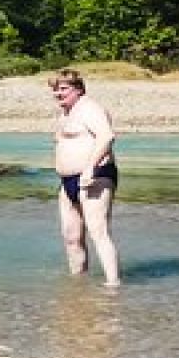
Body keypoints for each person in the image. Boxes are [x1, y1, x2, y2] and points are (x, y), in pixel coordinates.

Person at [50, 68, 120, 286]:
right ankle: (78, 285)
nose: (58, 94)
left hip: (94, 176)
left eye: (64, 89)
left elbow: (107, 136)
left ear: (78, 89)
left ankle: (113, 284)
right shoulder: (66, 113)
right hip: (68, 181)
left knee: (98, 232)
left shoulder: (90, 108)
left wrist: (90, 168)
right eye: (55, 90)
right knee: (71, 238)